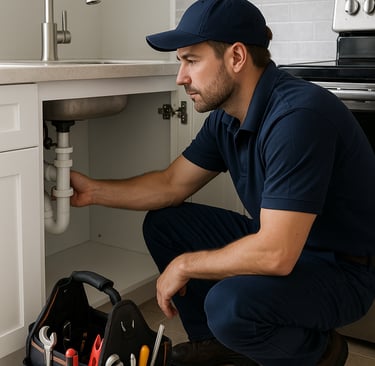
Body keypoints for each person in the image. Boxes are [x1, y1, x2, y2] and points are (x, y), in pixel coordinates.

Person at [70, 0, 375, 365]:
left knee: (228, 305)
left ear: (236, 57)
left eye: (191, 61)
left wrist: (184, 265)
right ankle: (217, 346)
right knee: (165, 224)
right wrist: (92, 191)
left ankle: (318, 353)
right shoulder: (228, 117)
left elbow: (276, 253)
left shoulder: (297, 118)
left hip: (341, 270)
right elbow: (171, 185)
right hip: (285, 244)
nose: (181, 77)